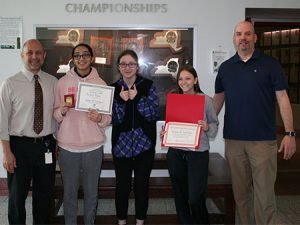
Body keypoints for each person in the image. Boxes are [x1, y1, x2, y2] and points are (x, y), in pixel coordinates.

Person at [214, 21, 297, 224]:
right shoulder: (225, 68)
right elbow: (218, 99)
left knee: (264, 196)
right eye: (239, 34)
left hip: (263, 142)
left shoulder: (270, 65)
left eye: (247, 34)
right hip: (233, 141)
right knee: (239, 195)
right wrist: (203, 123)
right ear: (234, 39)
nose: (243, 38)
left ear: (254, 38)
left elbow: (283, 98)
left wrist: (290, 133)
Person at [0, 39, 57, 224]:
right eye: (30, 53)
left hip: (46, 146)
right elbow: (2, 120)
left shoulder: (52, 82)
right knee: (17, 197)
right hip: (19, 146)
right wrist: (7, 152)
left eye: (38, 52)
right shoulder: (9, 84)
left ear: (44, 56)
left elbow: (57, 114)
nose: (34, 57)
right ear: (22, 55)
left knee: (44, 196)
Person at [53, 43, 111, 225]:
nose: (81, 58)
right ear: (73, 59)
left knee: (91, 193)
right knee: (69, 193)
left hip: (93, 147)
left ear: (92, 58)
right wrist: (61, 111)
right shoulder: (62, 83)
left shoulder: (100, 83)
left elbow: (107, 119)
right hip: (68, 147)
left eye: (85, 54)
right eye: (77, 55)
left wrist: (99, 117)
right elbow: (54, 114)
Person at [163, 65, 218, 225]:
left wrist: (207, 127)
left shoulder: (205, 100)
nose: (184, 82)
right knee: (180, 196)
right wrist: (165, 133)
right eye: (180, 79)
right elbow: (170, 124)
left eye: (187, 78)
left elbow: (214, 126)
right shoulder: (174, 98)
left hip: (198, 153)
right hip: (176, 153)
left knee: (195, 197)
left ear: (195, 80)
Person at [111, 49, 160, 225]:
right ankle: (121, 221)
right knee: (122, 188)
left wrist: (138, 98)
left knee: (141, 187)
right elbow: (114, 120)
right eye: (123, 64)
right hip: (120, 146)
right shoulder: (114, 88)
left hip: (144, 145)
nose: (127, 67)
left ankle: (140, 221)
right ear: (119, 67)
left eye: (131, 64)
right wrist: (120, 102)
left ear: (137, 66)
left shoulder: (148, 85)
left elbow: (153, 114)